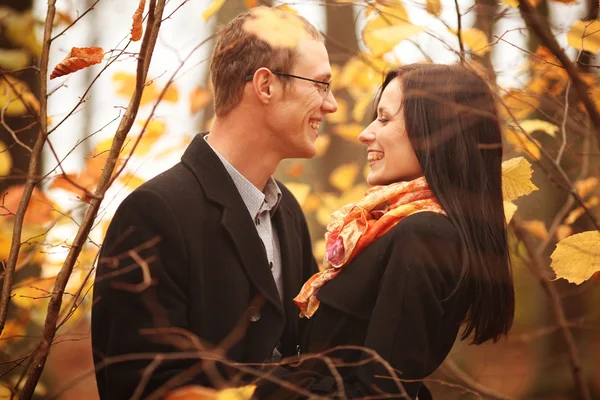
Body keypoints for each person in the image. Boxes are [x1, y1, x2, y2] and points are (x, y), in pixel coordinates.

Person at [91, 6, 338, 399]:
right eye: (321, 85)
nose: (331, 105)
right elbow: (140, 386)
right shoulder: (153, 213)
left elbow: (307, 358)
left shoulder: (287, 212)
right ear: (266, 85)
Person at [259, 63, 515, 399]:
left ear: (435, 130)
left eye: (384, 118)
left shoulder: (425, 235)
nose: (365, 133)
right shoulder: (393, 228)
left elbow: (380, 393)